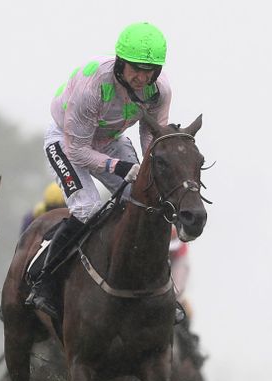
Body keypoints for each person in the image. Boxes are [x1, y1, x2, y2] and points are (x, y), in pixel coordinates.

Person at [27, 22, 172, 321]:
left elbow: (150, 133)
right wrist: (121, 167)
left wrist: (150, 166)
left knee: (147, 200)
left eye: (150, 71)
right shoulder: (94, 85)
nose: (142, 77)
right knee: (88, 208)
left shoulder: (159, 92)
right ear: (121, 62)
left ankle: (155, 284)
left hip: (109, 140)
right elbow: (78, 150)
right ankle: (44, 280)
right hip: (67, 141)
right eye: (136, 68)